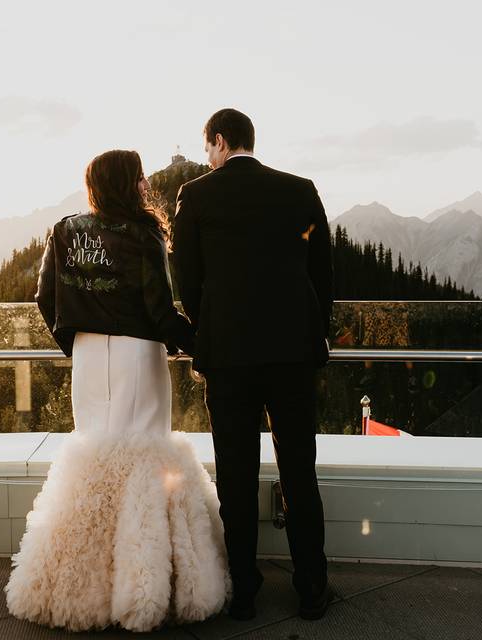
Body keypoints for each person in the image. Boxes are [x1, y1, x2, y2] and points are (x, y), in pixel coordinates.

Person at [5, 149, 229, 632]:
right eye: (141, 176)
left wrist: (75, 341)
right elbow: (158, 308)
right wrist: (201, 345)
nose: (147, 182)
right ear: (129, 183)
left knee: (96, 459)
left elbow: (45, 296)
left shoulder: (65, 230)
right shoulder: (143, 234)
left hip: (88, 356)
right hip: (136, 356)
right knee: (143, 456)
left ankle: (80, 586)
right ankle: (141, 586)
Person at [172, 108, 334, 621]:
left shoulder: (197, 196)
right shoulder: (299, 190)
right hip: (292, 355)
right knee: (299, 473)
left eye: (208, 148)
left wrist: (210, 325)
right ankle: (311, 587)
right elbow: (323, 273)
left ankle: (244, 591)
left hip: (229, 359)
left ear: (220, 141)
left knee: (236, 476)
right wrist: (310, 328)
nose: (208, 158)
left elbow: (187, 279)